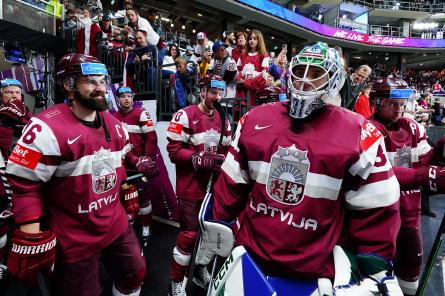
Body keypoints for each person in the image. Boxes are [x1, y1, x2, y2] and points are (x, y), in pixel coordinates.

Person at [210, 42, 403, 295]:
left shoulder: (360, 133)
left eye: (315, 74)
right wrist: (218, 228)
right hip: (250, 260)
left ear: (334, 81)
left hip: (314, 274)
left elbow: (377, 209)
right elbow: (230, 186)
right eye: (300, 71)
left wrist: (374, 270)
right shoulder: (254, 120)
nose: (304, 82)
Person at [5, 53, 146, 296]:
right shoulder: (45, 128)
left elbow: (117, 163)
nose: (100, 88)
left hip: (114, 222)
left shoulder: (113, 124)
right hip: (73, 234)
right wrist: (31, 231)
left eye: (102, 81)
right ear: (69, 86)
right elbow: (25, 185)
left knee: (135, 274)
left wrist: (124, 187)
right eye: (91, 82)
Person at [368, 77, 445, 295]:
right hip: (378, 212)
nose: (398, 110)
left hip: (410, 210)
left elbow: (423, 159)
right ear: (376, 102)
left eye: (402, 104)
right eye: (392, 103)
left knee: (412, 261)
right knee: (376, 264)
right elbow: (380, 173)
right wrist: (428, 176)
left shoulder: (412, 126)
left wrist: (440, 151)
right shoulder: (367, 128)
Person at [166, 74, 231, 296]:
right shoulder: (184, 114)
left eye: (221, 92)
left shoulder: (223, 117)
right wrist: (195, 157)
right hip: (190, 187)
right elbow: (173, 151)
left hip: (212, 187)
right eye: (214, 91)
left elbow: (225, 150)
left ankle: (199, 270)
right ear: (202, 91)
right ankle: (175, 282)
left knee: (209, 235)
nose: (218, 96)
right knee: (189, 235)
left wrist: (221, 162)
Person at [112, 86, 159, 245]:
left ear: (133, 98)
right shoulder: (113, 117)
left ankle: (146, 226)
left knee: (143, 198)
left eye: (129, 96)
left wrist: (147, 161)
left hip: (139, 167)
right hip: (121, 167)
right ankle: (127, 227)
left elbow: (151, 138)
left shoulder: (141, 114)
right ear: (118, 99)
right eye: (123, 96)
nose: (126, 99)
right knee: (124, 199)